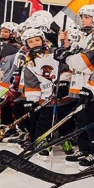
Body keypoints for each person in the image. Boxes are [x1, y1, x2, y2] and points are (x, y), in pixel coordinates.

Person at [55, 5, 94, 167]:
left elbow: (82, 61)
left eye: (87, 17)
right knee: (81, 119)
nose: (83, 20)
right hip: (80, 86)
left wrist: (66, 56)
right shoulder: (83, 38)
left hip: (92, 87)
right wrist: (63, 48)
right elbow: (72, 58)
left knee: (91, 119)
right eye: (82, 17)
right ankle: (84, 148)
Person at [16, 28, 73, 158]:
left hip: (62, 95)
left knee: (66, 121)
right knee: (44, 122)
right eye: (31, 41)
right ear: (26, 44)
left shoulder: (55, 53)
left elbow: (67, 68)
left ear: (43, 40)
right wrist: (32, 101)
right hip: (46, 98)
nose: (35, 43)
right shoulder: (29, 62)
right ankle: (42, 142)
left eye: (37, 40)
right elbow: (32, 83)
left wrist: (63, 82)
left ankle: (65, 140)